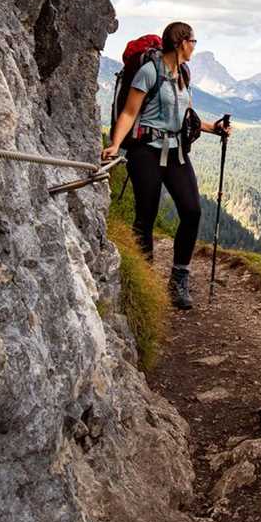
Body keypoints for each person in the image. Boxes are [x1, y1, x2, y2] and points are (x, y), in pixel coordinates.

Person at [102, 22, 231, 309]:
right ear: (181, 43)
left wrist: (215, 128)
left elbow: (185, 114)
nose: (195, 46)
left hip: (175, 152)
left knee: (192, 211)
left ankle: (178, 279)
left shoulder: (183, 73)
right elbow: (129, 112)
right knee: (145, 216)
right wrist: (115, 144)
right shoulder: (149, 72)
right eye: (193, 41)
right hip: (145, 152)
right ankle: (145, 281)